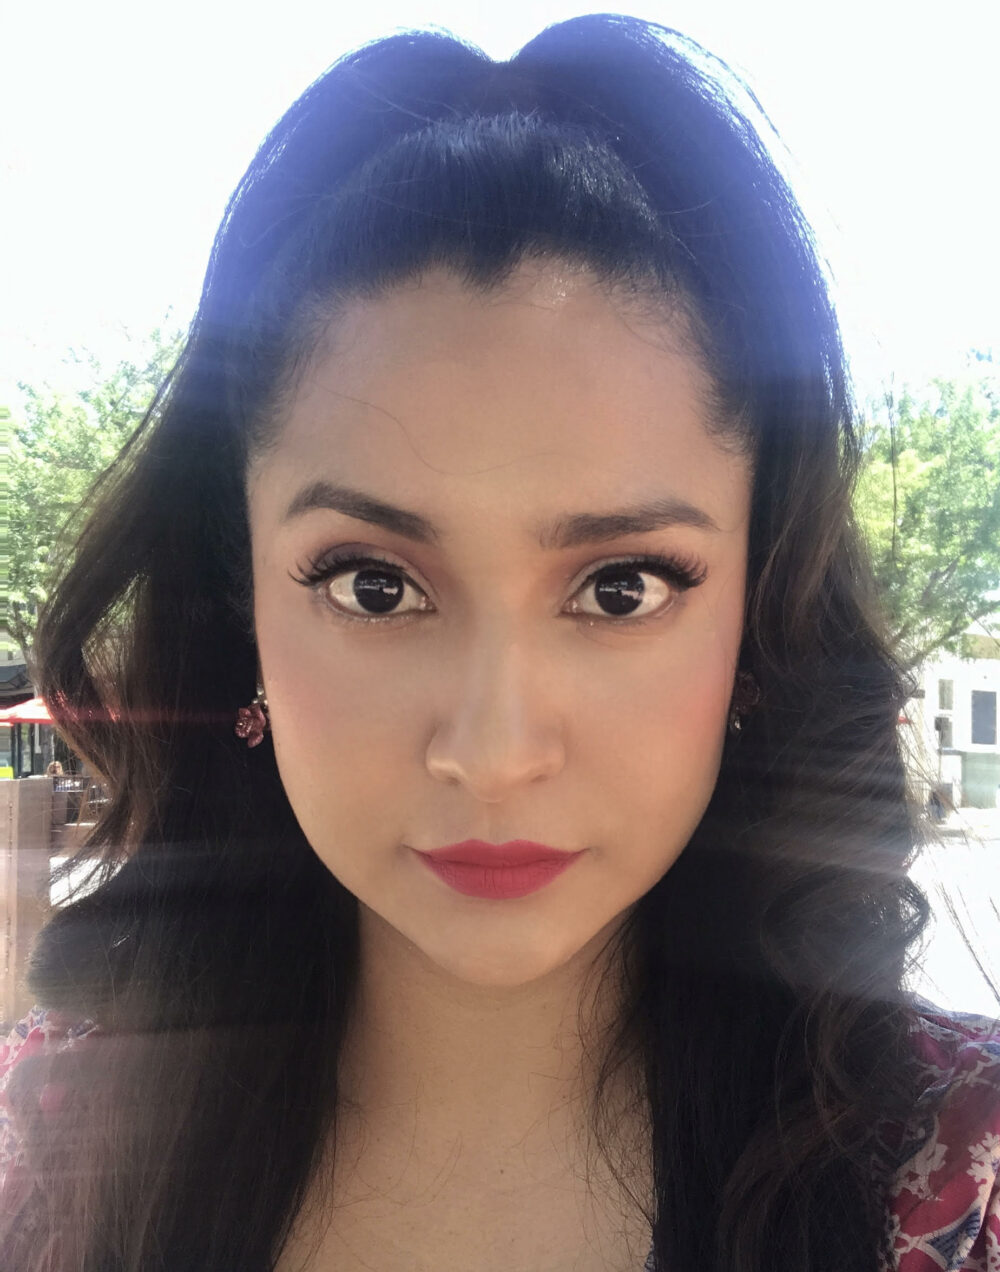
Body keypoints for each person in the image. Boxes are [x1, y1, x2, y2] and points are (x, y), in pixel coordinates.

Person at [1, 15, 997, 1272]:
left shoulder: (961, 1172)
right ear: (236, 599)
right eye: (373, 587)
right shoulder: (46, 1154)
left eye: (622, 588)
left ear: (759, 614)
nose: (493, 751)